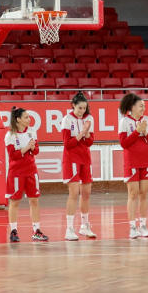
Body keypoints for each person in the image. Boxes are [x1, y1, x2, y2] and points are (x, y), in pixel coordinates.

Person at [5, 106, 47, 242]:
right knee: (15, 201)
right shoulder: (10, 135)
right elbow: (13, 155)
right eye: (26, 117)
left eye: (29, 117)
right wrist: (26, 148)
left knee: (34, 200)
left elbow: (36, 151)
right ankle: (13, 231)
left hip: (31, 170)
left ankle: (37, 230)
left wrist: (33, 148)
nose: (29, 119)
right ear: (18, 119)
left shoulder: (32, 132)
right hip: (16, 172)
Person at [59, 92, 96, 241]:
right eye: (79, 108)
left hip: (85, 158)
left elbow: (90, 142)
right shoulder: (67, 120)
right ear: (73, 105)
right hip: (71, 159)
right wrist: (82, 133)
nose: (82, 111)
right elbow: (67, 144)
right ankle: (69, 229)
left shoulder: (89, 119)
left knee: (86, 193)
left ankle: (84, 225)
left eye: (84, 108)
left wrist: (87, 134)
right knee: (74, 194)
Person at [119, 93, 148, 239]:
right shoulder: (124, 121)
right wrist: (137, 132)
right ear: (132, 107)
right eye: (141, 106)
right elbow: (124, 143)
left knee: (144, 194)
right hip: (131, 161)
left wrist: (145, 131)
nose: (143, 108)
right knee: (133, 194)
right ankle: (132, 227)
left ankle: (144, 226)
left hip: (145, 160)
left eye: (144, 106)